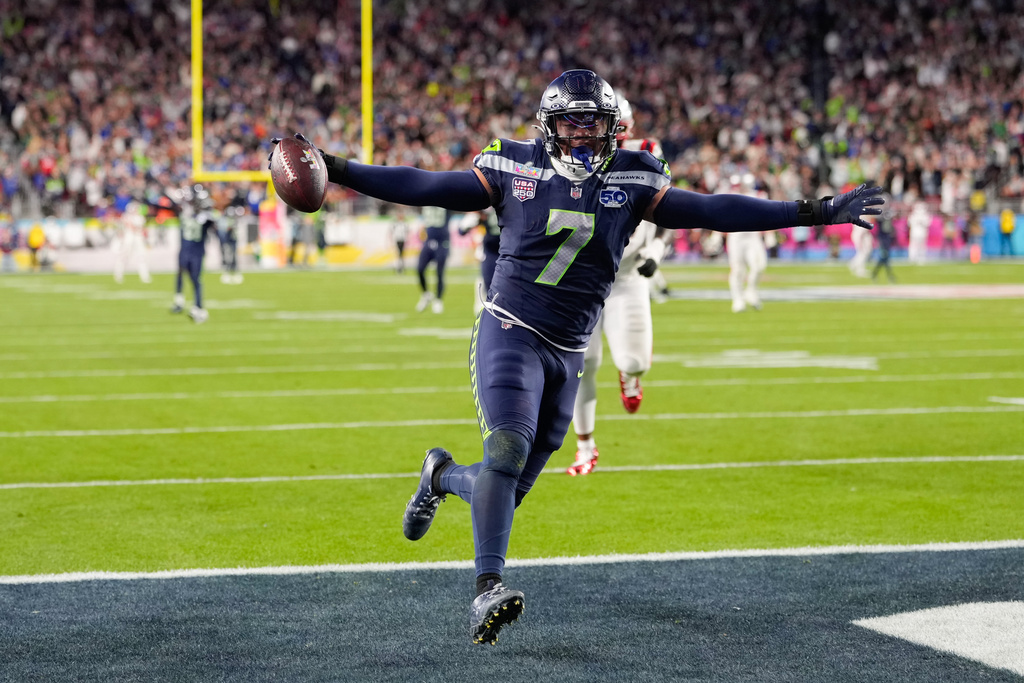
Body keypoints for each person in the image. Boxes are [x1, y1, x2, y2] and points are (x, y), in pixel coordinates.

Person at [270, 69, 883, 646]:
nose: (585, 134)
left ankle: (440, 475)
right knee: (505, 452)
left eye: (595, 123)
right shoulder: (512, 164)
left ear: (614, 126)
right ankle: (488, 589)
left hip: (570, 349)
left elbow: (713, 209)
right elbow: (428, 184)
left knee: (506, 488)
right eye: (574, 124)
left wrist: (820, 210)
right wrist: (341, 167)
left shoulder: (636, 176)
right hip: (510, 330)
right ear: (550, 126)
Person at [568, 94, 672, 476]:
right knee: (582, 364)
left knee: (635, 361)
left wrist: (657, 250)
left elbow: (667, 207)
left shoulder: (645, 155)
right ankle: (585, 446)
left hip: (626, 277)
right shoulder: (571, 159)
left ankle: (629, 376)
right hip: (583, 278)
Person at [166, 183, 217, 323]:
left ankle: (199, 307)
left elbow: (214, 223)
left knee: (196, 280)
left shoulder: (206, 216)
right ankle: (181, 301)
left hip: (196, 252)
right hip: (186, 250)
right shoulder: (187, 211)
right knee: (182, 274)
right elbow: (171, 205)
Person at [723, 173, 769, 312]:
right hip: (736, 237)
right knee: (737, 270)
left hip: (752, 236)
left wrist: (768, 234)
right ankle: (737, 299)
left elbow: (766, 215)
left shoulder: (758, 195)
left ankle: (751, 291)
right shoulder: (728, 196)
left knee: (759, 265)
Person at [458, 207, 501, 315]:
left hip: (509, 251)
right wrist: (470, 221)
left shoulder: (510, 204)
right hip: (491, 250)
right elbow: (462, 230)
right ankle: (488, 312)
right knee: (488, 283)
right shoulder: (485, 209)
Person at [414, 205, 456, 313]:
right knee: (419, 269)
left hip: (442, 242)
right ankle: (426, 294)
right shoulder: (426, 201)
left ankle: (438, 299)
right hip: (429, 241)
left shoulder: (444, 201)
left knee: (439, 272)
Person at [112, 200, 152, 284]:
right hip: (129, 238)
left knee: (142, 257)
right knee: (124, 257)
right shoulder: (126, 217)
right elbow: (128, 227)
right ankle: (118, 275)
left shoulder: (140, 217)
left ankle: (145, 276)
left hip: (138, 238)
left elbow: (141, 229)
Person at [389, 207, 411, 274]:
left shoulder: (404, 224)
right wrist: (391, 240)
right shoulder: (395, 224)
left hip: (403, 240)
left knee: (402, 254)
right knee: (398, 254)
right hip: (397, 240)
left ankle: (401, 268)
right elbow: (391, 232)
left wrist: (407, 239)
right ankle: (398, 268)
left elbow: (408, 232)